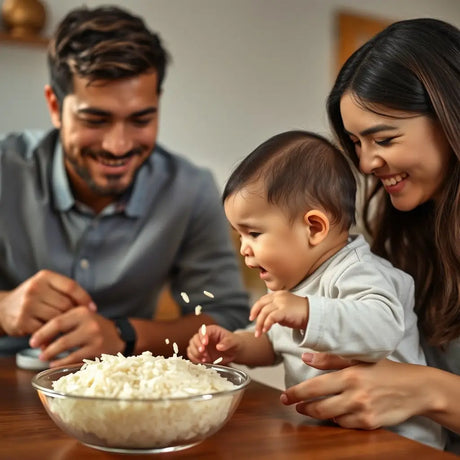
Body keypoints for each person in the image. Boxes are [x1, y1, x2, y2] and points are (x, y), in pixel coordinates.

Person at [0, 5, 249, 366]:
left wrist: (123, 335)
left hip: (123, 389)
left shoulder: (190, 190)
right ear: (55, 106)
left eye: (140, 119)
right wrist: (4, 307)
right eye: (96, 119)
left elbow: (227, 318)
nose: (118, 145)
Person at [187, 130, 444, 448]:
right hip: (329, 433)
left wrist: (306, 311)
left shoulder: (359, 272)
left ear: (314, 228)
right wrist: (235, 346)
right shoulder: (292, 284)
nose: (244, 249)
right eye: (239, 235)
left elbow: (383, 327)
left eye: (253, 233)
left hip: (400, 439)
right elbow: (272, 342)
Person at [280, 18, 460, 454]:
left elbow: (419, 385)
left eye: (383, 139)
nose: (365, 165)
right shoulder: (407, 233)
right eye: (356, 143)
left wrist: (429, 391)